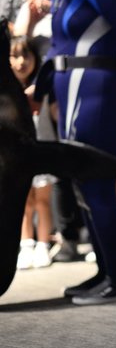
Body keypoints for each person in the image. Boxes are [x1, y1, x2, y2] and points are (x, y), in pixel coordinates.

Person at [34, 0, 116, 305]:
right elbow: (59, 46)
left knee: (97, 184)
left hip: (98, 91)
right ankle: (105, 271)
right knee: (81, 184)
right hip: (70, 91)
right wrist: (41, 90)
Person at [10, 35, 56, 270]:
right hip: (17, 152)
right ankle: (26, 243)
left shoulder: (42, 89)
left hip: (43, 146)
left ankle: (43, 244)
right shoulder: (8, 91)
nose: (20, 62)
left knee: (42, 201)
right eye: (14, 56)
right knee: (24, 202)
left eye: (25, 55)